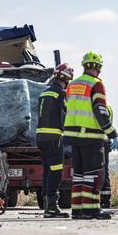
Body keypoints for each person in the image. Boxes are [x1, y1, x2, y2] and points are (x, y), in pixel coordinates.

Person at [63, 51, 118, 220]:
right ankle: (92, 210)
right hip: (91, 137)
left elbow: (68, 107)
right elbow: (100, 111)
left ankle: (78, 210)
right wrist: (112, 133)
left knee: (79, 175)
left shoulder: (72, 85)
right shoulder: (96, 84)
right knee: (93, 174)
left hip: (73, 138)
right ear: (99, 68)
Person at [36, 63, 74, 218]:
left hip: (40, 137)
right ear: (66, 78)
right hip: (54, 137)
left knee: (47, 172)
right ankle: (52, 207)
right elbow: (66, 115)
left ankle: (47, 206)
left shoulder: (44, 93)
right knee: (56, 172)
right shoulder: (61, 94)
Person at [100, 105, 118, 209]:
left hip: (101, 142)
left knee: (101, 171)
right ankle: (105, 200)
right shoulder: (107, 105)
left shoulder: (101, 106)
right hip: (104, 141)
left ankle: (104, 200)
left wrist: (113, 136)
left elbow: (104, 123)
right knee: (104, 171)